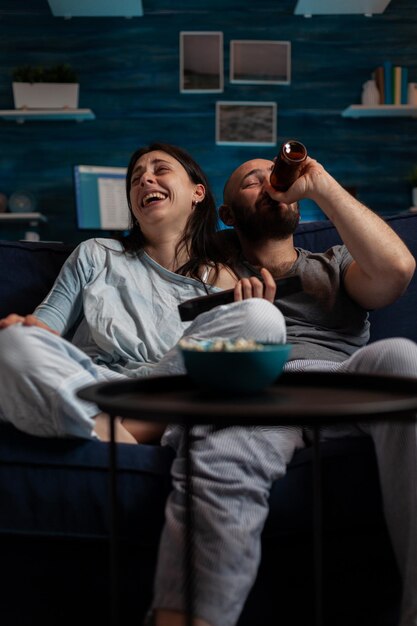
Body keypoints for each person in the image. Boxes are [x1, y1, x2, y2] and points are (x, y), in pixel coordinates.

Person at [148, 154, 417, 626]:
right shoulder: (207, 273)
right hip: (254, 389)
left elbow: (396, 271)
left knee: (403, 358)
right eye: (252, 183)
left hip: (342, 380)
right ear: (229, 214)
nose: (268, 185)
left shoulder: (335, 263)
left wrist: (321, 186)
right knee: (222, 435)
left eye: (271, 177)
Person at [0, 142, 279, 444]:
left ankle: (110, 434)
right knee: (13, 343)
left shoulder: (230, 279)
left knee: (262, 316)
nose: (145, 180)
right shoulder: (96, 253)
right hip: (100, 389)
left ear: (197, 193)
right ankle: (139, 431)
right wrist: (26, 330)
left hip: (176, 390)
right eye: (136, 179)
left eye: (160, 170)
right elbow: (46, 323)